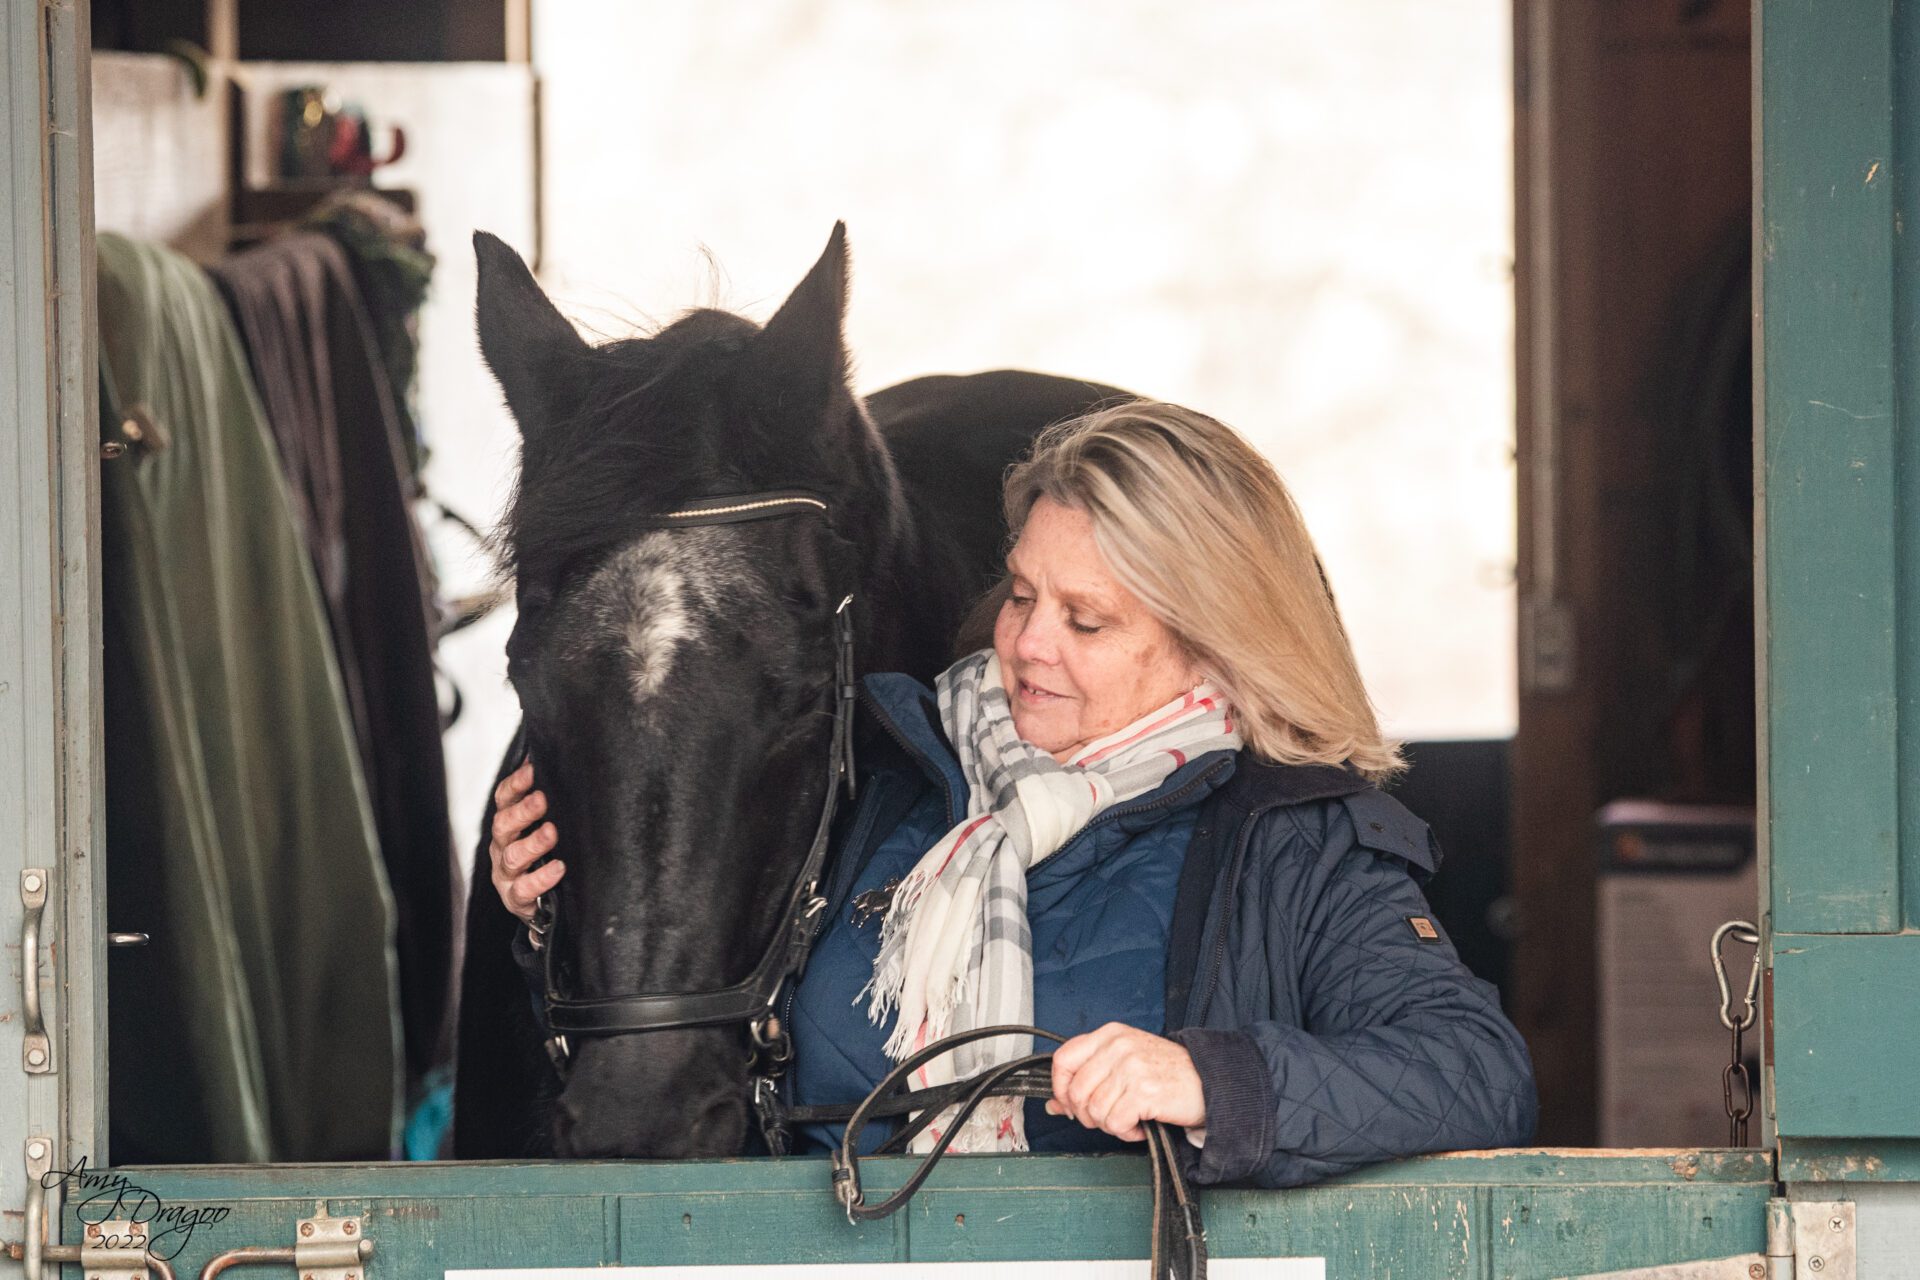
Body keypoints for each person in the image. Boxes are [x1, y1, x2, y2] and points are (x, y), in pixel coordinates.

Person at [489, 400, 1536, 1186]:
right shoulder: (886, 774)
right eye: (1023, 594)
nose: (1027, 644)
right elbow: (693, 1030)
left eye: (1087, 621)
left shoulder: (1296, 839)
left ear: (1211, 645)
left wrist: (1214, 1083)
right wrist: (557, 905)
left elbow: (1474, 1072)